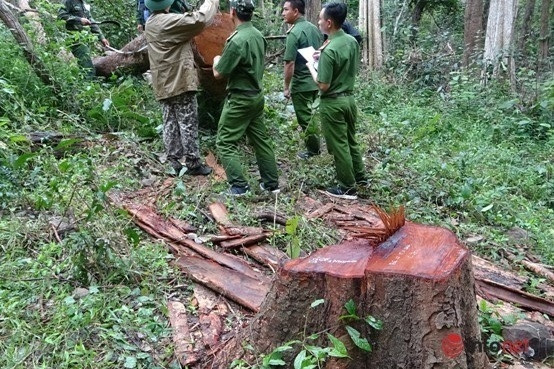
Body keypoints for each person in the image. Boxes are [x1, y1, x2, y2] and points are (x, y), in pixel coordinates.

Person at [212, 0, 280, 196]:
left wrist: (217, 59)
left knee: (225, 141)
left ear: (232, 12)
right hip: (256, 96)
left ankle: (239, 186)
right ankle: (271, 183)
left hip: (240, 99)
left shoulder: (236, 41)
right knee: (261, 140)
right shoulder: (258, 35)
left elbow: (219, 73)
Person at [144, 0, 217, 176]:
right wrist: (211, 2)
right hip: (179, 80)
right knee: (187, 122)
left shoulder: (150, 22)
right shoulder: (167, 22)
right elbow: (199, 20)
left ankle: (174, 161)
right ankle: (193, 163)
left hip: (163, 82)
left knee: (170, 121)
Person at [307, 2, 366, 200]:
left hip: (333, 103)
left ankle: (347, 187)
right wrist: (320, 57)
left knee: (339, 145)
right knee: (351, 141)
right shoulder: (351, 41)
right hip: (349, 99)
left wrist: (312, 68)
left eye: (321, 19)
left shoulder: (329, 49)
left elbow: (323, 85)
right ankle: (360, 177)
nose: (319, 22)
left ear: (329, 23)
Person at [282, 0, 323, 159]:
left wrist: (286, 86)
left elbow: (289, 62)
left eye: (286, 10)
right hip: (316, 79)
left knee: (305, 118)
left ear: (296, 11)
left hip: (302, 83)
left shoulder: (294, 33)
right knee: (312, 115)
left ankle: (313, 151)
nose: (283, 13)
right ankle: (315, 146)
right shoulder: (313, 28)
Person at [58, 0, 110, 78]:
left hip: (83, 38)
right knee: (87, 65)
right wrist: (79, 20)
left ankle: (86, 84)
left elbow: (91, 21)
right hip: (73, 38)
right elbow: (61, 16)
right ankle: (89, 84)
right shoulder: (68, 1)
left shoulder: (83, 3)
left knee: (85, 62)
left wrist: (102, 38)